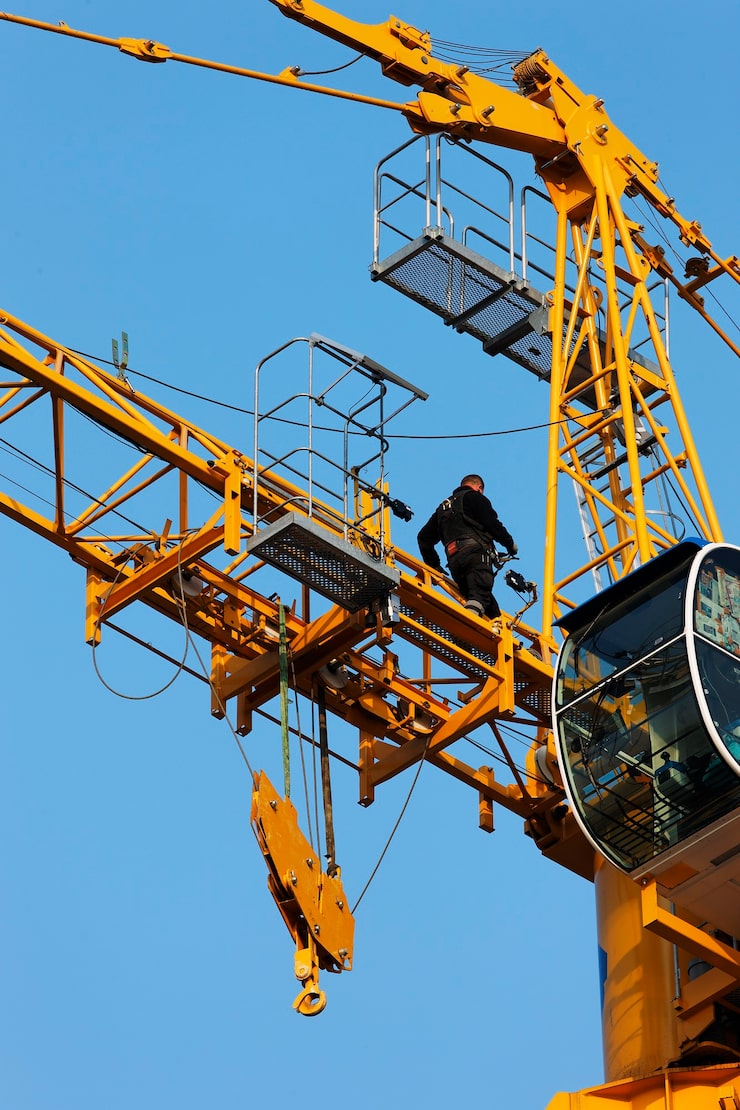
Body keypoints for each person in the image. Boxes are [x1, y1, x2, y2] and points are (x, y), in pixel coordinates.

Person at [417, 473, 518, 619]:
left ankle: (493, 629)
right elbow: (492, 524)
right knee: (479, 594)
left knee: (487, 606)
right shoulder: (475, 497)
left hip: (455, 563)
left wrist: (434, 565)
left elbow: (423, 538)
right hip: (476, 556)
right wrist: (510, 544)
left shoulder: (443, 508)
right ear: (479, 487)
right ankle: (463, 627)